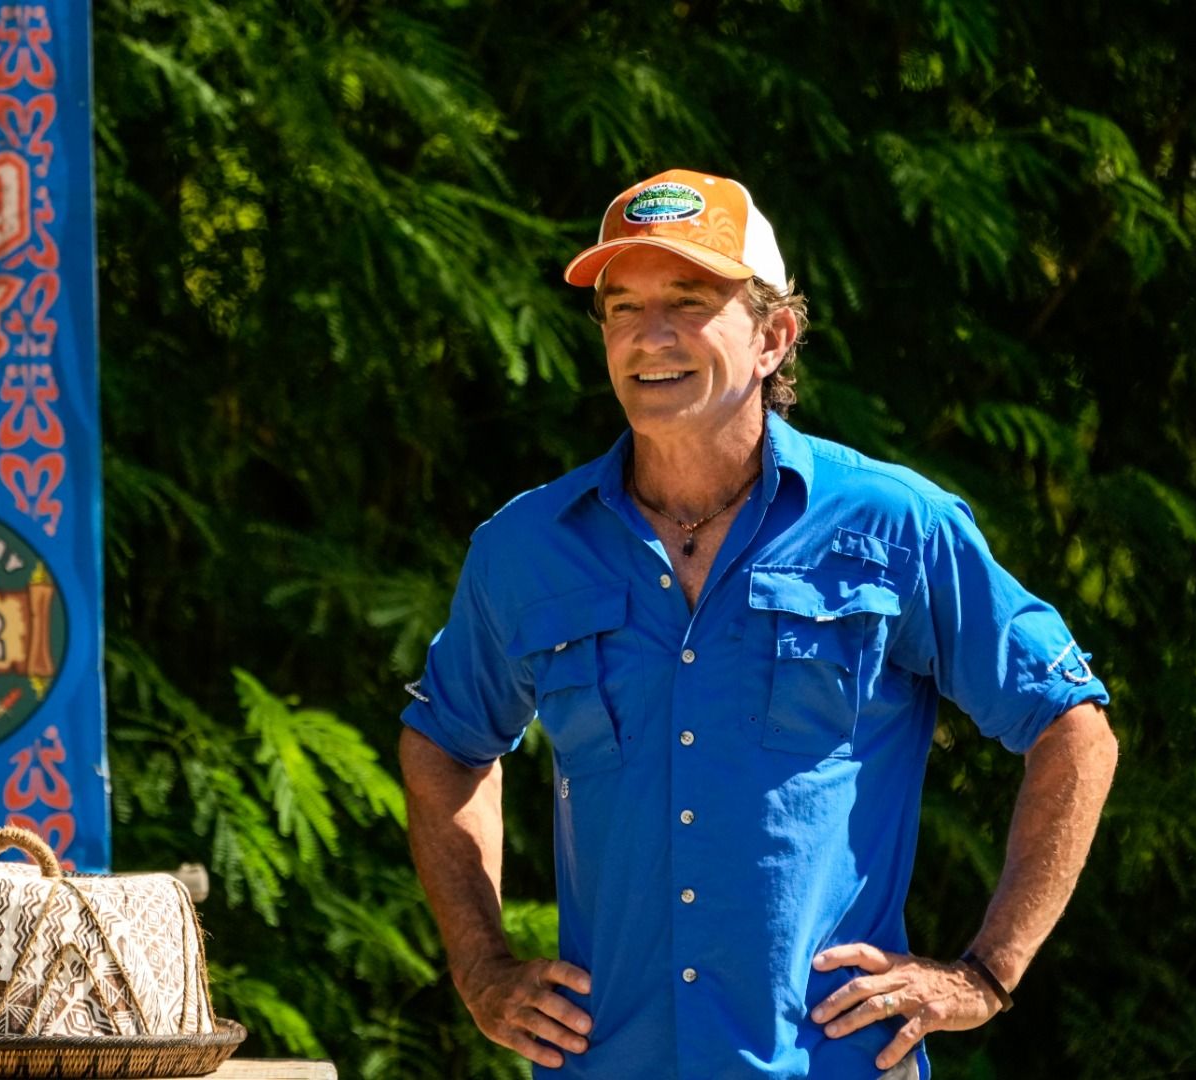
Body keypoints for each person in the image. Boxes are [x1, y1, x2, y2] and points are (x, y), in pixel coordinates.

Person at [398, 169, 1120, 1079]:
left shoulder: (893, 526)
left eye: (689, 301)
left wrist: (985, 973)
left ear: (775, 335)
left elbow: (1072, 727)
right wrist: (482, 966)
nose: (648, 337)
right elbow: (444, 743)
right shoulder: (525, 549)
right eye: (623, 308)